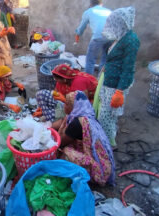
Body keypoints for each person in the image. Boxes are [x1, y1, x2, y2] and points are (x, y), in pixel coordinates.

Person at [93, 7, 140, 148]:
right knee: (105, 112)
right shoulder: (121, 37)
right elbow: (116, 59)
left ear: (121, 23)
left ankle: (107, 146)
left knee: (106, 115)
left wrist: (119, 91)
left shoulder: (131, 40)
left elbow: (128, 68)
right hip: (109, 80)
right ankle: (107, 136)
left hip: (115, 85)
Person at [58, 91, 115, 186]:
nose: (64, 106)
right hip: (104, 161)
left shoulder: (77, 123)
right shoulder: (87, 115)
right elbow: (61, 123)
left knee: (64, 151)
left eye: (67, 104)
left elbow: (60, 143)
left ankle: (87, 177)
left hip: (99, 168)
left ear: (74, 106)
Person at [75, 0, 111, 75]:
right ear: (101, 3)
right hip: (110, 37)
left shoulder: (89, 12)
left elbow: (82, 27)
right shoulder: (109, 11)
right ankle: (101, 80)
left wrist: (78, 34)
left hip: (97, 38)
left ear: (91, 3)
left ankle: (88, 81)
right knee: (105, 59)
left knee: (90, 60)